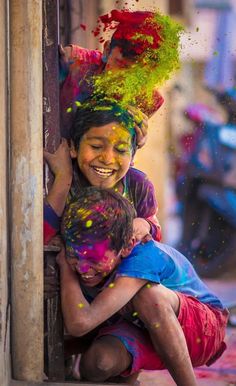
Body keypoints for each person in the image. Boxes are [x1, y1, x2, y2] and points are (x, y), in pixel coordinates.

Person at [57, 186, 229, 386]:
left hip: (203, 332)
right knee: (98, 363)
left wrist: (66, 268)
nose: (83, 267)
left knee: (147, 296)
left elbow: (80, 324)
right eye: (74, 255)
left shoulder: (142, 258)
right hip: (144, 331)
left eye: (94, 259)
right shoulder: (88, 257)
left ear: (127, 247)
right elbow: (88, 324)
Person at [44, 99, 161, 245]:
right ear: (73, 147)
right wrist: (63, 179)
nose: (107, 159)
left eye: (120, 150)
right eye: (96, 146)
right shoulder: (64, 179)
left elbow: (155, 231)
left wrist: (145, 225)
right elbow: (40, 236)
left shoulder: (138, 184)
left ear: (132, 156)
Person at [60, 9, 183, 140]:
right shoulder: (74, 61)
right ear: (107, 51)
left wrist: (136, 141)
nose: (128, 80)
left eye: (142, 76)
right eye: (123, 65)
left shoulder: (147, 101)